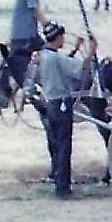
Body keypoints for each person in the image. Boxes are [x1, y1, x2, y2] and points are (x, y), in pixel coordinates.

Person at [35, 22, 97, 198]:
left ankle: (58, 182)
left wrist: (76, 48)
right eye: (62, 36)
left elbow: (63, 64)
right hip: (62, 104)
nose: (64, 39)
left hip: (50, 104)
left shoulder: (43, 56)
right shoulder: (56, 58)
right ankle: (63, 189)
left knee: (56, 145)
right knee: (64, 147)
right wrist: (91, 50)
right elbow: (80, 69)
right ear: (58, 38)